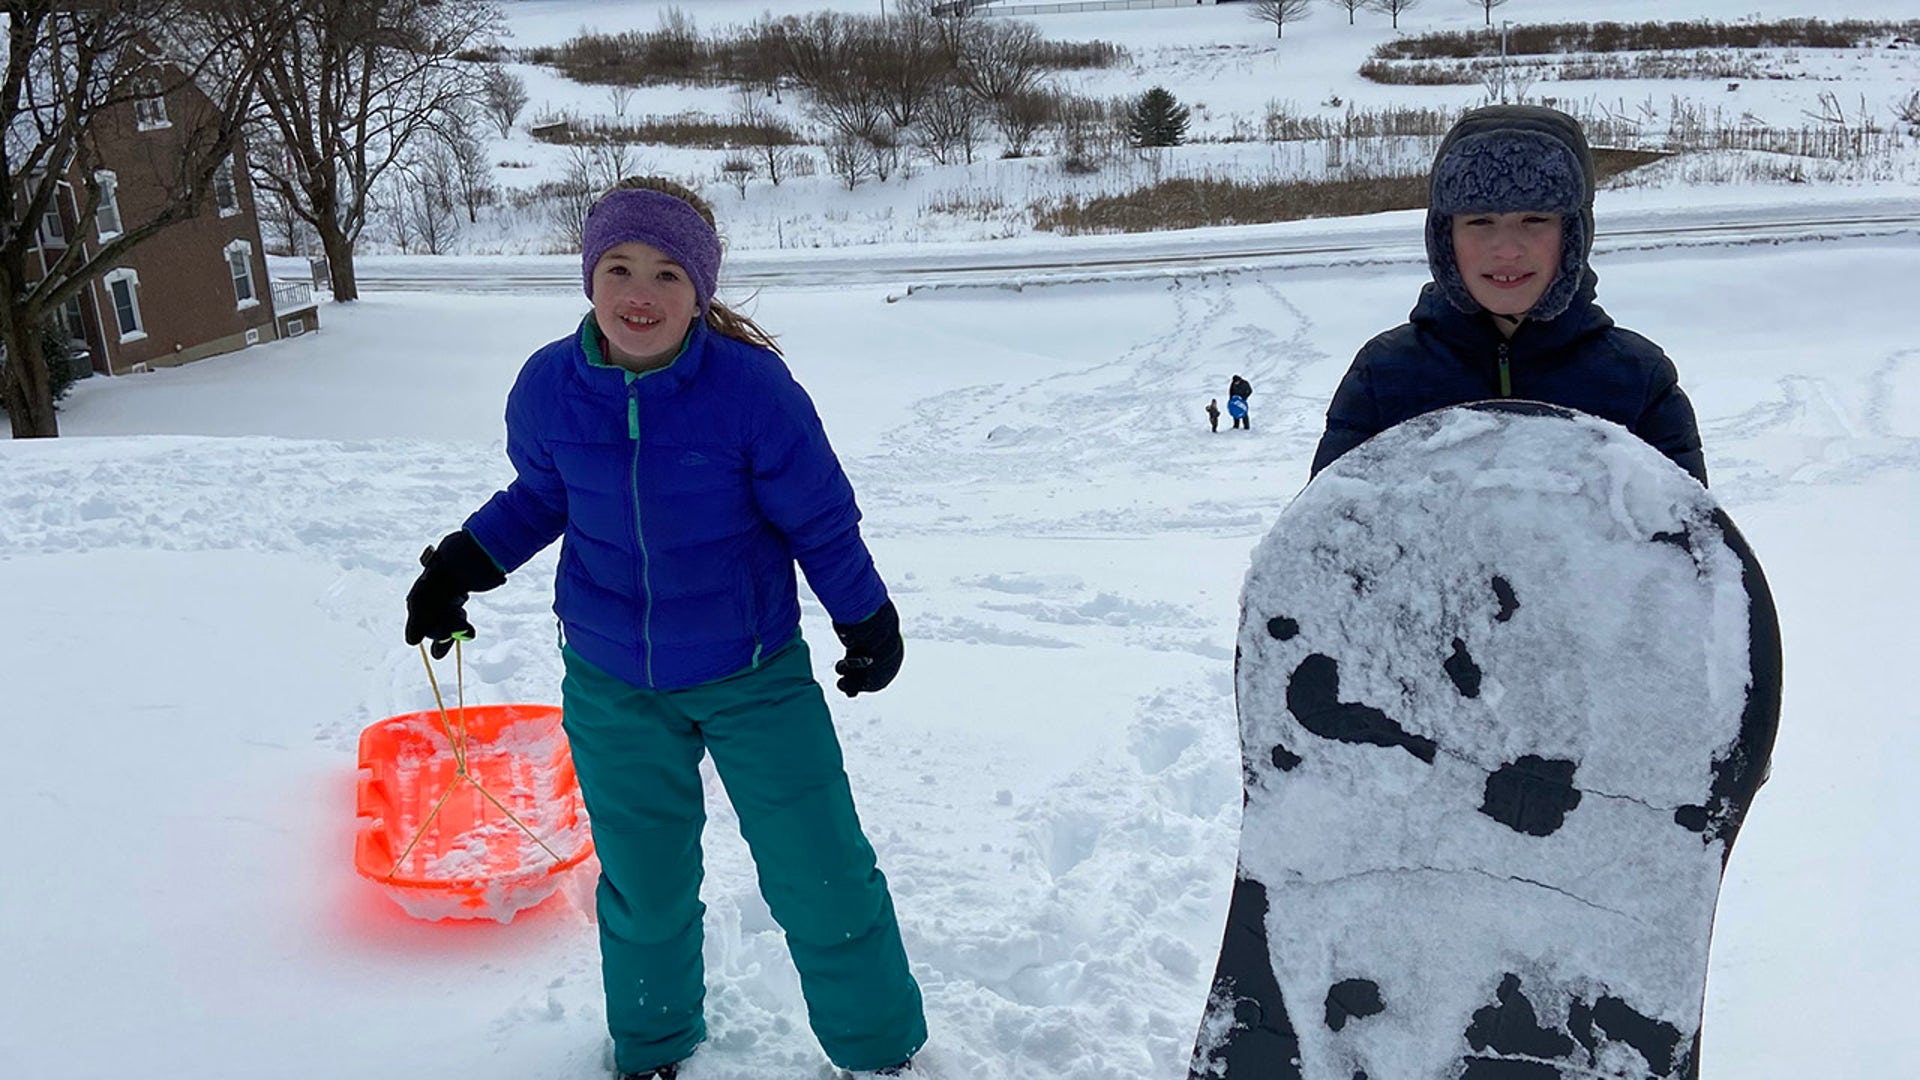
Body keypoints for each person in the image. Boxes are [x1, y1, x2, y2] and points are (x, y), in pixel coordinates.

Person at [403, 177, 926, 1080]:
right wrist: (459, 567)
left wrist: (865, 617)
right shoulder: (549, 389)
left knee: (823, 874)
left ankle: (880, 1057)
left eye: (667, 274)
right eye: (618, 268)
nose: (639, 294)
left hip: (752, 675)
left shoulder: (752, 393)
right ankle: (651, 1049)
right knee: (644, 889)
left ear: (701, 293)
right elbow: (541, 498)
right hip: (612, 685)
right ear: (589, 278)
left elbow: (819, 519)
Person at [1311, 105, 1707, 486]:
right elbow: (1324, 537)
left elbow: (1689, 546)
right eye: (1480, 221)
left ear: (1573, 235)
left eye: (1535, 219)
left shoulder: (1638, 380)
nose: (1507, 249)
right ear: (1444, 237)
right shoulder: (1384, 375)